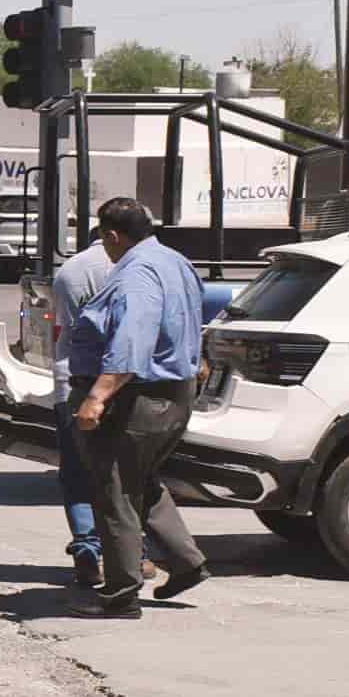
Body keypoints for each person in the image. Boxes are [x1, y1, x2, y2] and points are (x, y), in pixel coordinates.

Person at [69, 198, 211, 619]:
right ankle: (187, 563)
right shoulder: (175, 261)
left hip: (140, 400)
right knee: (141, 482)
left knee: (115, 492)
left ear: (112, 235)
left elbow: (133, 340)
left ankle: (121, 594)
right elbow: (192, 318)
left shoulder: (136, 274)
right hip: (176, 393)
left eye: (104, 240)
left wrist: (97, 397)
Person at [45, 225, 115, 587]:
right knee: (122, 475)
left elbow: (63, 332)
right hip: (122, 385)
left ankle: (88, 552)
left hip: (71, 382)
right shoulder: (135, 266)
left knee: (76, 476)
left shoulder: (70, 271)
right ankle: (135, 554)